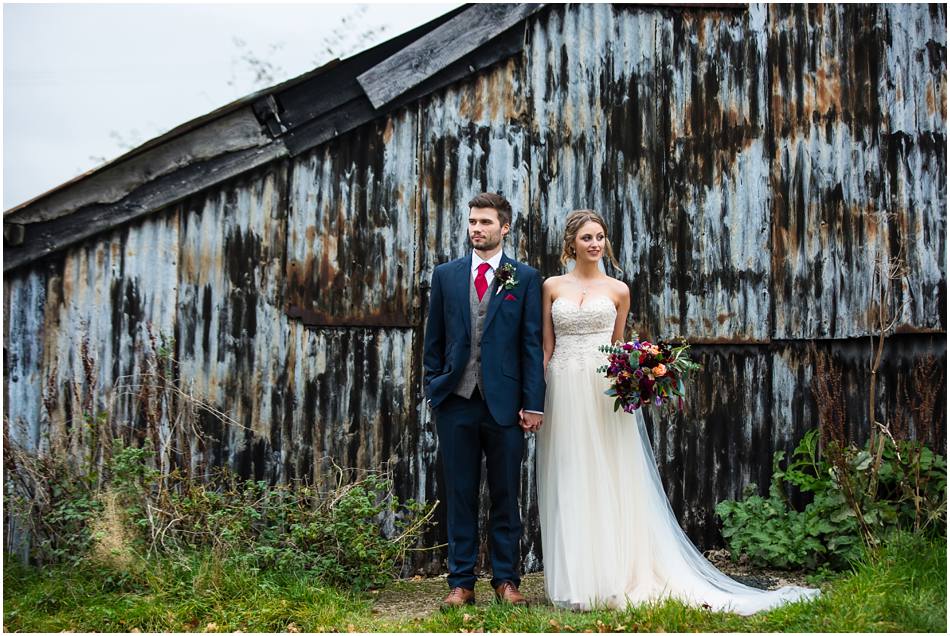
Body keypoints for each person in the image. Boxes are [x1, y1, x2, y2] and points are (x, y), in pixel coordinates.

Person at [536, 209, 820, 614]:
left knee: (610, 476)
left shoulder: (618, 289)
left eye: (600, 237)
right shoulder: (551, 286)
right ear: (571, 243)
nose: (595, 244)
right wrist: (537, 394)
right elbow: (547, 348)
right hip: (563, 388)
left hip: (602, 392)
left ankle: (613, 575)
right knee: (570, 474)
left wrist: (636, 378)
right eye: (586, 238)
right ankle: (577, 579)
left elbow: (617, 351)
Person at [423, 192, 545, 608]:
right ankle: (461, 583)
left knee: (506, 494)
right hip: (455, 400)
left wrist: (533, 402)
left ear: (504, 227)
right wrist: (434, 387)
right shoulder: (447, 275)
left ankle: (506, 581)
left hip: (505, 403)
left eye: (485, 222)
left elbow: (531, 344)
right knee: (459, 493)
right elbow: (434, 339)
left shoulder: (525, 278)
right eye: (472, 222)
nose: (477, 229)